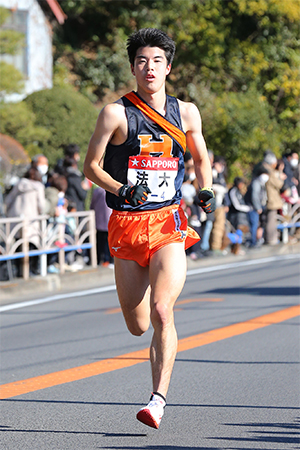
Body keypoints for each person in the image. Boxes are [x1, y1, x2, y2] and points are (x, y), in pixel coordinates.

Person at [83, 28, 215, 429]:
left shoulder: (187, 112)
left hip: (168, 221)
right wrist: (122, 187)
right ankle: (148, 352)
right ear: (133, 68)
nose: (150, 67)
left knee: (162, 309)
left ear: (169, 67)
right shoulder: (115, 113)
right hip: (125, 223)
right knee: (137, 324)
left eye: (157, 60)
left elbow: (201, 159)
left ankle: (157, 400)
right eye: (142, 61)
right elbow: (90, 167)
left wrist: (205, 190)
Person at [90, 186, 114, 267]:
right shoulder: (113, 188)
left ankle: (99, 259)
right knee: (108, 242)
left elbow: (92, 204)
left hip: (99, 219)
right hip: (109, 219)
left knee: (100, 241)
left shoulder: (97, 190)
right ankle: (108, 260)